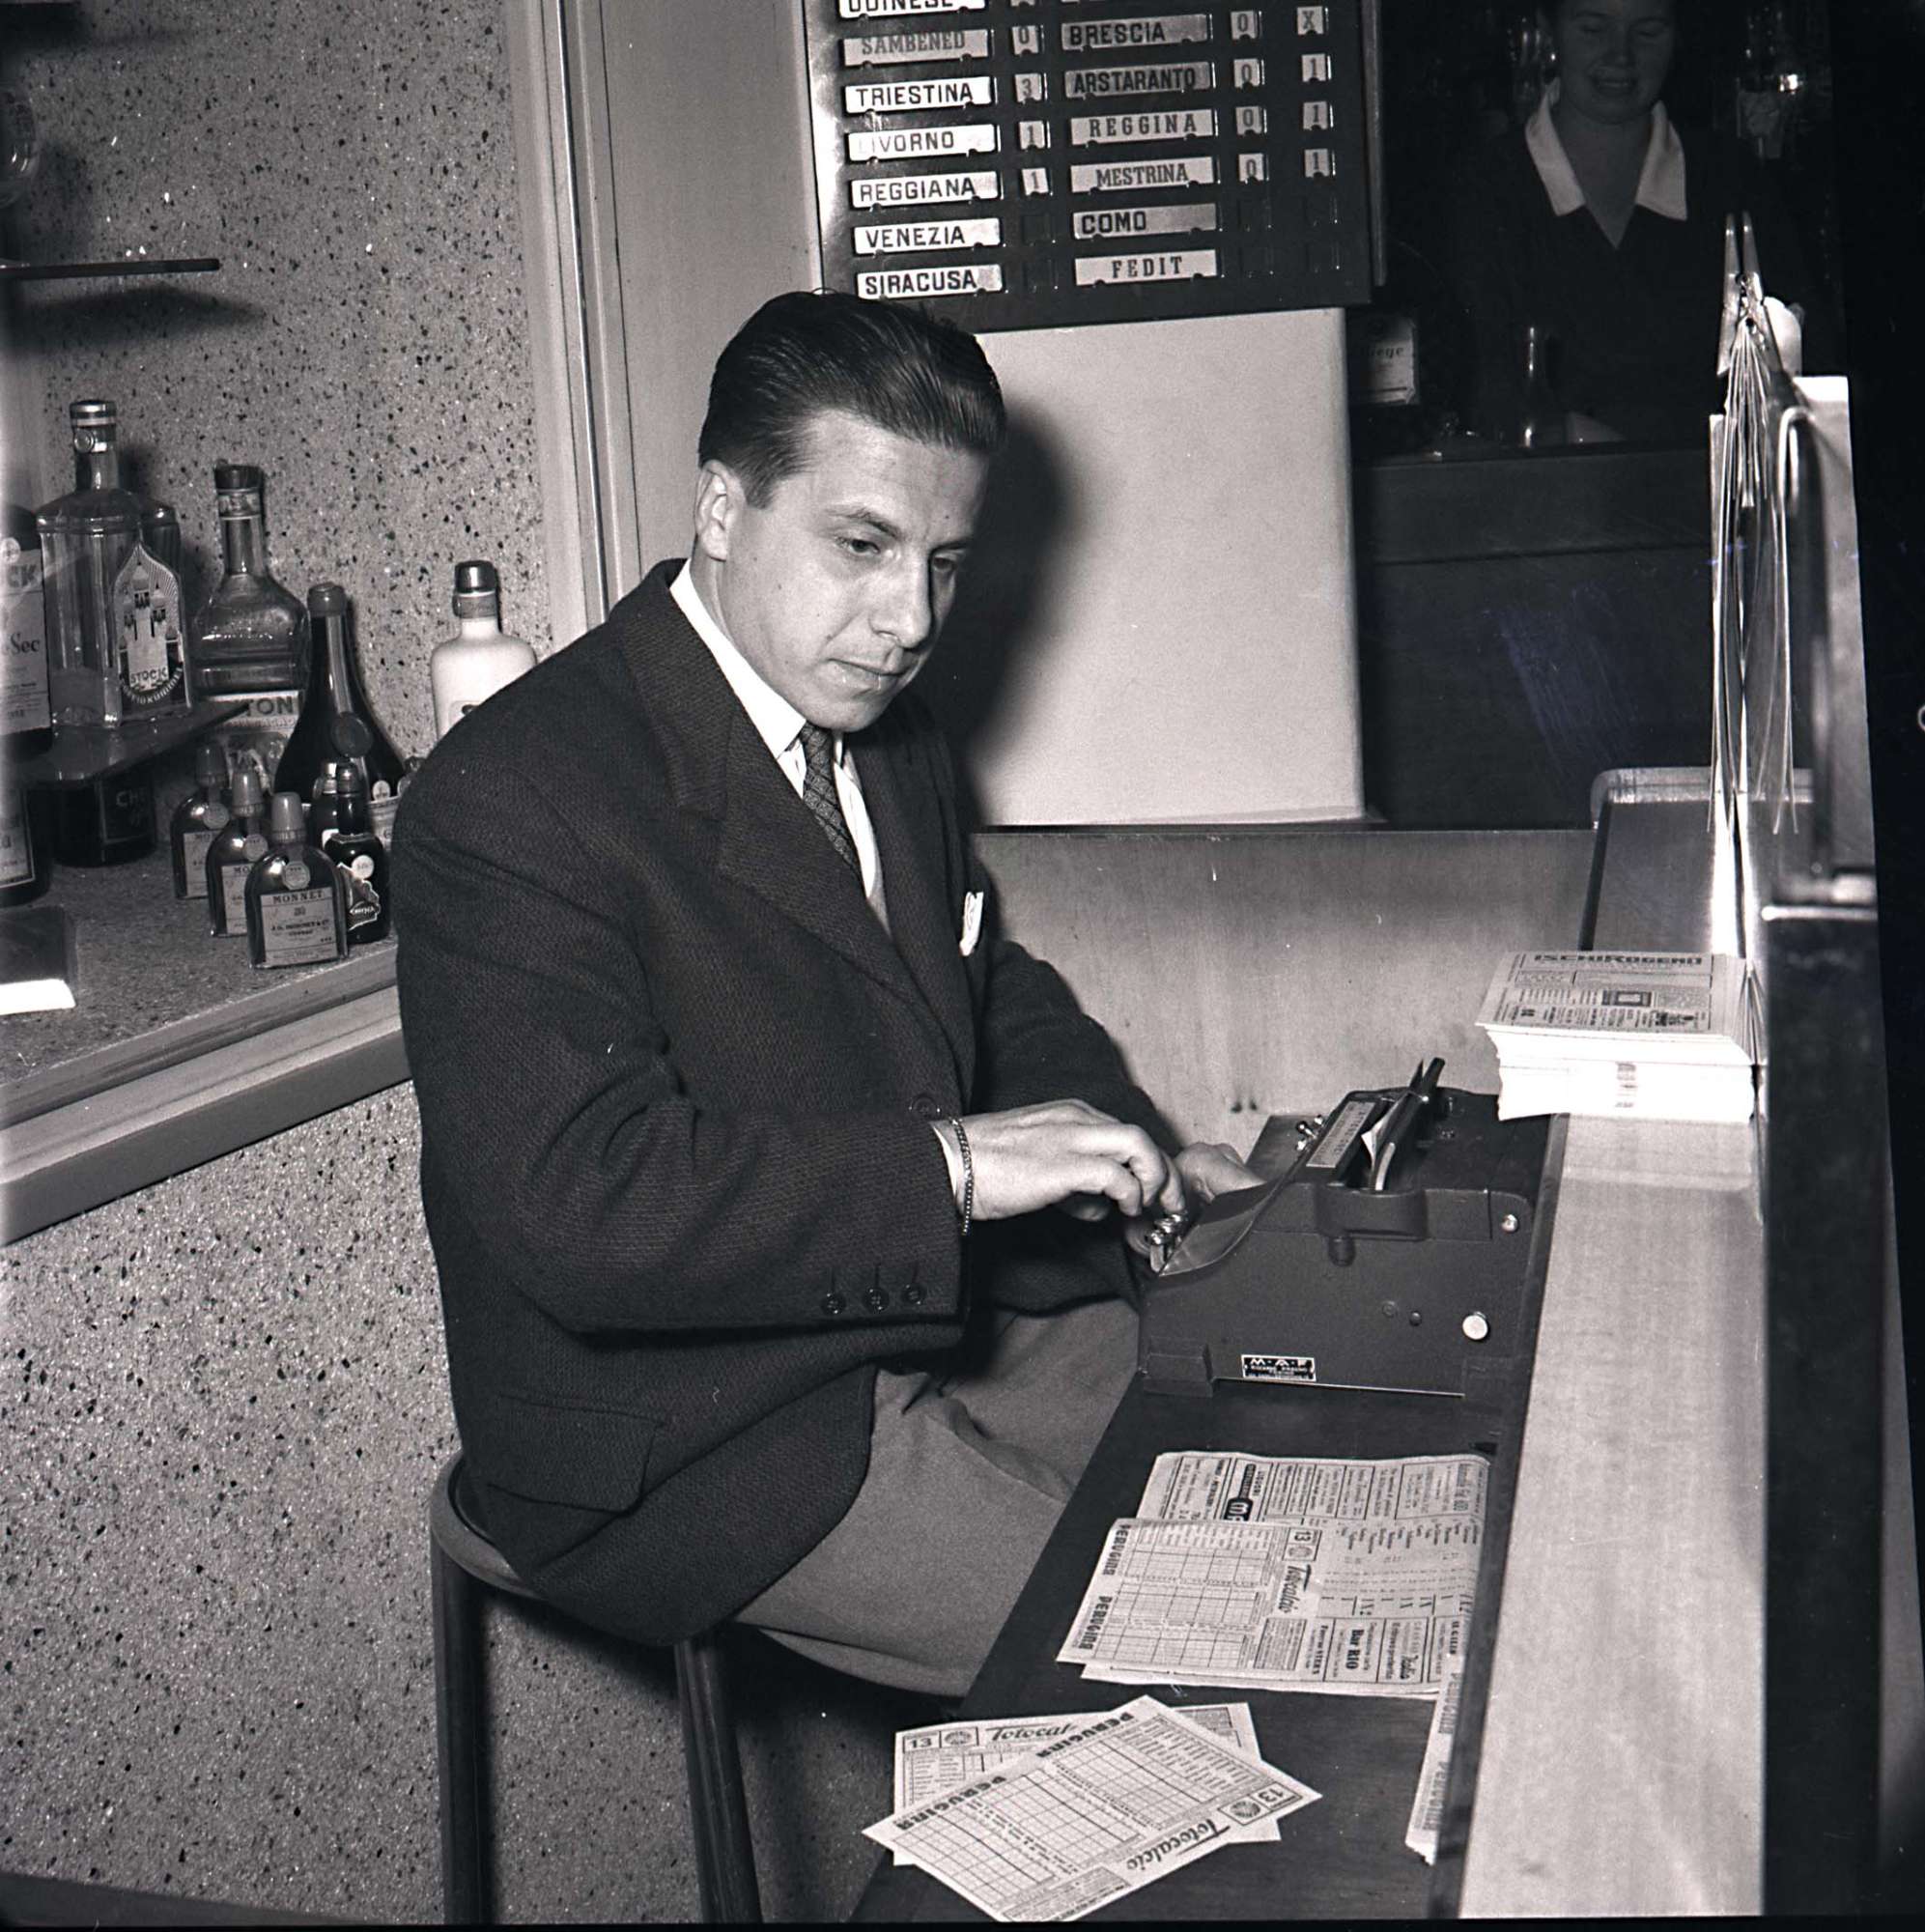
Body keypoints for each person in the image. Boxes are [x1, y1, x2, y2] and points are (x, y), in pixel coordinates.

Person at [392, 291, 1256, 1700]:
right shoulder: (512, 796)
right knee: (1190, 1642)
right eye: (861, 546)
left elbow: (978, 979)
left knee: (1272, 1471)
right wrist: (956, 1168)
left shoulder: (885, 735)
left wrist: (1122, 1145)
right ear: (721, 508)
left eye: (944, 563)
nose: (909, 620)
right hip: (691, 1429)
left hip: (925, 1314)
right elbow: (584, 1208)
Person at [1446, 0, 1826, 445]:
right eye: (1593, 29)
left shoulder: (1731, 180)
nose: (1621, 55)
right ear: (1549, 31)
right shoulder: (1487, 188)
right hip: (1543, 488)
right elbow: (1476, 388)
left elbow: (1805, 373)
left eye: (1647, 31)